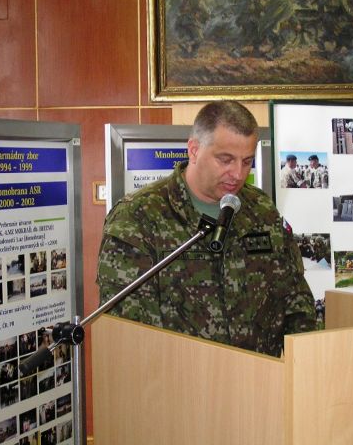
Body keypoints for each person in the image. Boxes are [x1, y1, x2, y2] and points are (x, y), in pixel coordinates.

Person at [97, 101, 317, 357]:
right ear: (194, 150)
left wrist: (305, 361)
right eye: (226, 160)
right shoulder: (138, 217)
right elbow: (127, 329)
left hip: (259, 376)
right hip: (178, 376)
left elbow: (295, 297)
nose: (238, 174)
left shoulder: (261, 209)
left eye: (247, 161)